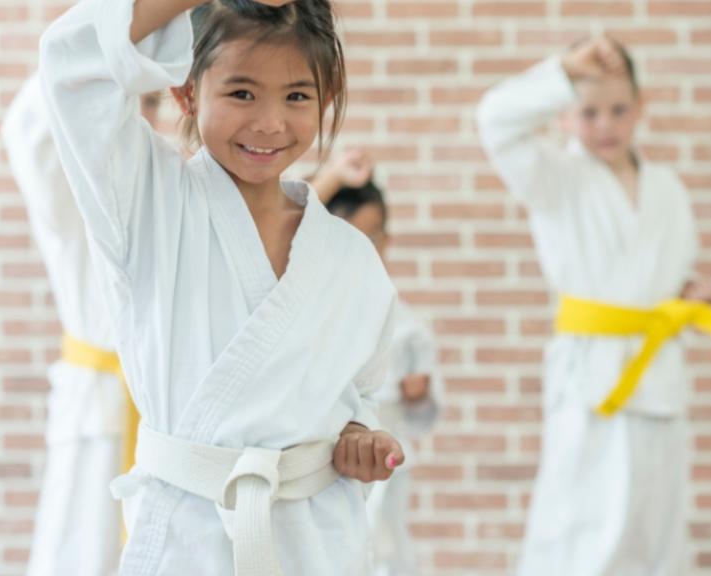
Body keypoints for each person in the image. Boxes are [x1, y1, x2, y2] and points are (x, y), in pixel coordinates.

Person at [38, 0, 407, 573]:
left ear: (326, 97)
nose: (269, 122)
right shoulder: (146, 203)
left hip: (314, 546)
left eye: (296, 96)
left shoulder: (351, 258)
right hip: (189, 540)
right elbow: (71, 60)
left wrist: (361, 435)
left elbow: (359, 391)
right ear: (187, 92)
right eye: (241, 93)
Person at [477, 36, 711, 575]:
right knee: (581, 525)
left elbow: (659, 274)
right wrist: (565, 68)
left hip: (658, 375)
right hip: (591, 378)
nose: (605, 124)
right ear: (563, 115)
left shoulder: (668, 189)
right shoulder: (557, 178)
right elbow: (495, 119)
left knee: (657, 525)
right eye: (588, 111)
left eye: (618, 109)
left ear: (640, 107)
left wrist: (686, 295)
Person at [2, 74, 161, 576]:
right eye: (121, 101)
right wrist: (104, 46)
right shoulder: (71, 191)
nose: (137, 115)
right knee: (81, 547)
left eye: (149, 101)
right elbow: (28, 132)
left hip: (165, 405)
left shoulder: (174, 186)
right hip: (98, 399)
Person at [314, 150, 444, 576]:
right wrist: (331, 176)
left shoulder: (402, 319)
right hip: (323, 453)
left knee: (383, 541)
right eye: (351, 235)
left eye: (373, 235)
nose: (364, 249)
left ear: (387, 239)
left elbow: (422, 389)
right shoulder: (311, 313)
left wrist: (420, 391)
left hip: (385, 446)